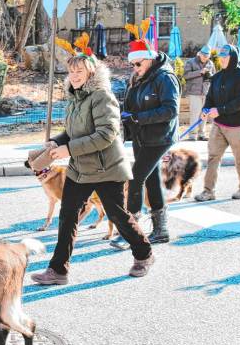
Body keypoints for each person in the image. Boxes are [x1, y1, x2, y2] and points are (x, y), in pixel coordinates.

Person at [31, 34, 154, 284]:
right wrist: (57, 141)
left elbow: (106, 134)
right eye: (71, 70)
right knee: (67, 216)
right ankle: (58, 270)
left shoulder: (101, 96)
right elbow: (74, 131)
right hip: (81, 168)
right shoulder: (76, 99)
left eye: (80, 71)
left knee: (118, 215)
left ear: (91, 72)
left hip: (107, 168)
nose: (74, 75)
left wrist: (69, 150)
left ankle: (144, 254)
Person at [122, 38, 180, 244]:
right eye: (133, 64)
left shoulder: (165, 78)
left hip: (160, 137)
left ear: (150, 59)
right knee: (151, 178)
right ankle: (161, 230)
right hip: (141, 135)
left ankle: (132, 233)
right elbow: (129, 105)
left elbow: (171, 110)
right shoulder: (138, 78)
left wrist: (138, 118)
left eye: (138, 64)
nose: (135, 68)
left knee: (135, 178)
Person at [194, 44, 240, 201]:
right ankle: (208, 191)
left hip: (237, 126)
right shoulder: (218, 76)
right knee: (213, 157)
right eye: (220, 56)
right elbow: (210, 97)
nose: (221, 59)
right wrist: (206, 109)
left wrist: (220, 110)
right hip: (219, 125)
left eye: (225, 57)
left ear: (233, 58)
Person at [183, 44, 215, 140]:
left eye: (207, 56)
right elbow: (186, 75)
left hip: (206, 92)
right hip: (194, 92)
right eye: (204, 55)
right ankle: (192, 135)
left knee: (204, 114)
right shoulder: (191, 62)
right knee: (195, 114)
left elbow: (214, 76)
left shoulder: (210, 63)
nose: (205, 58)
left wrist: (210, 75)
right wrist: (200, 72)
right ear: (199, 54)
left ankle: (201, 134)